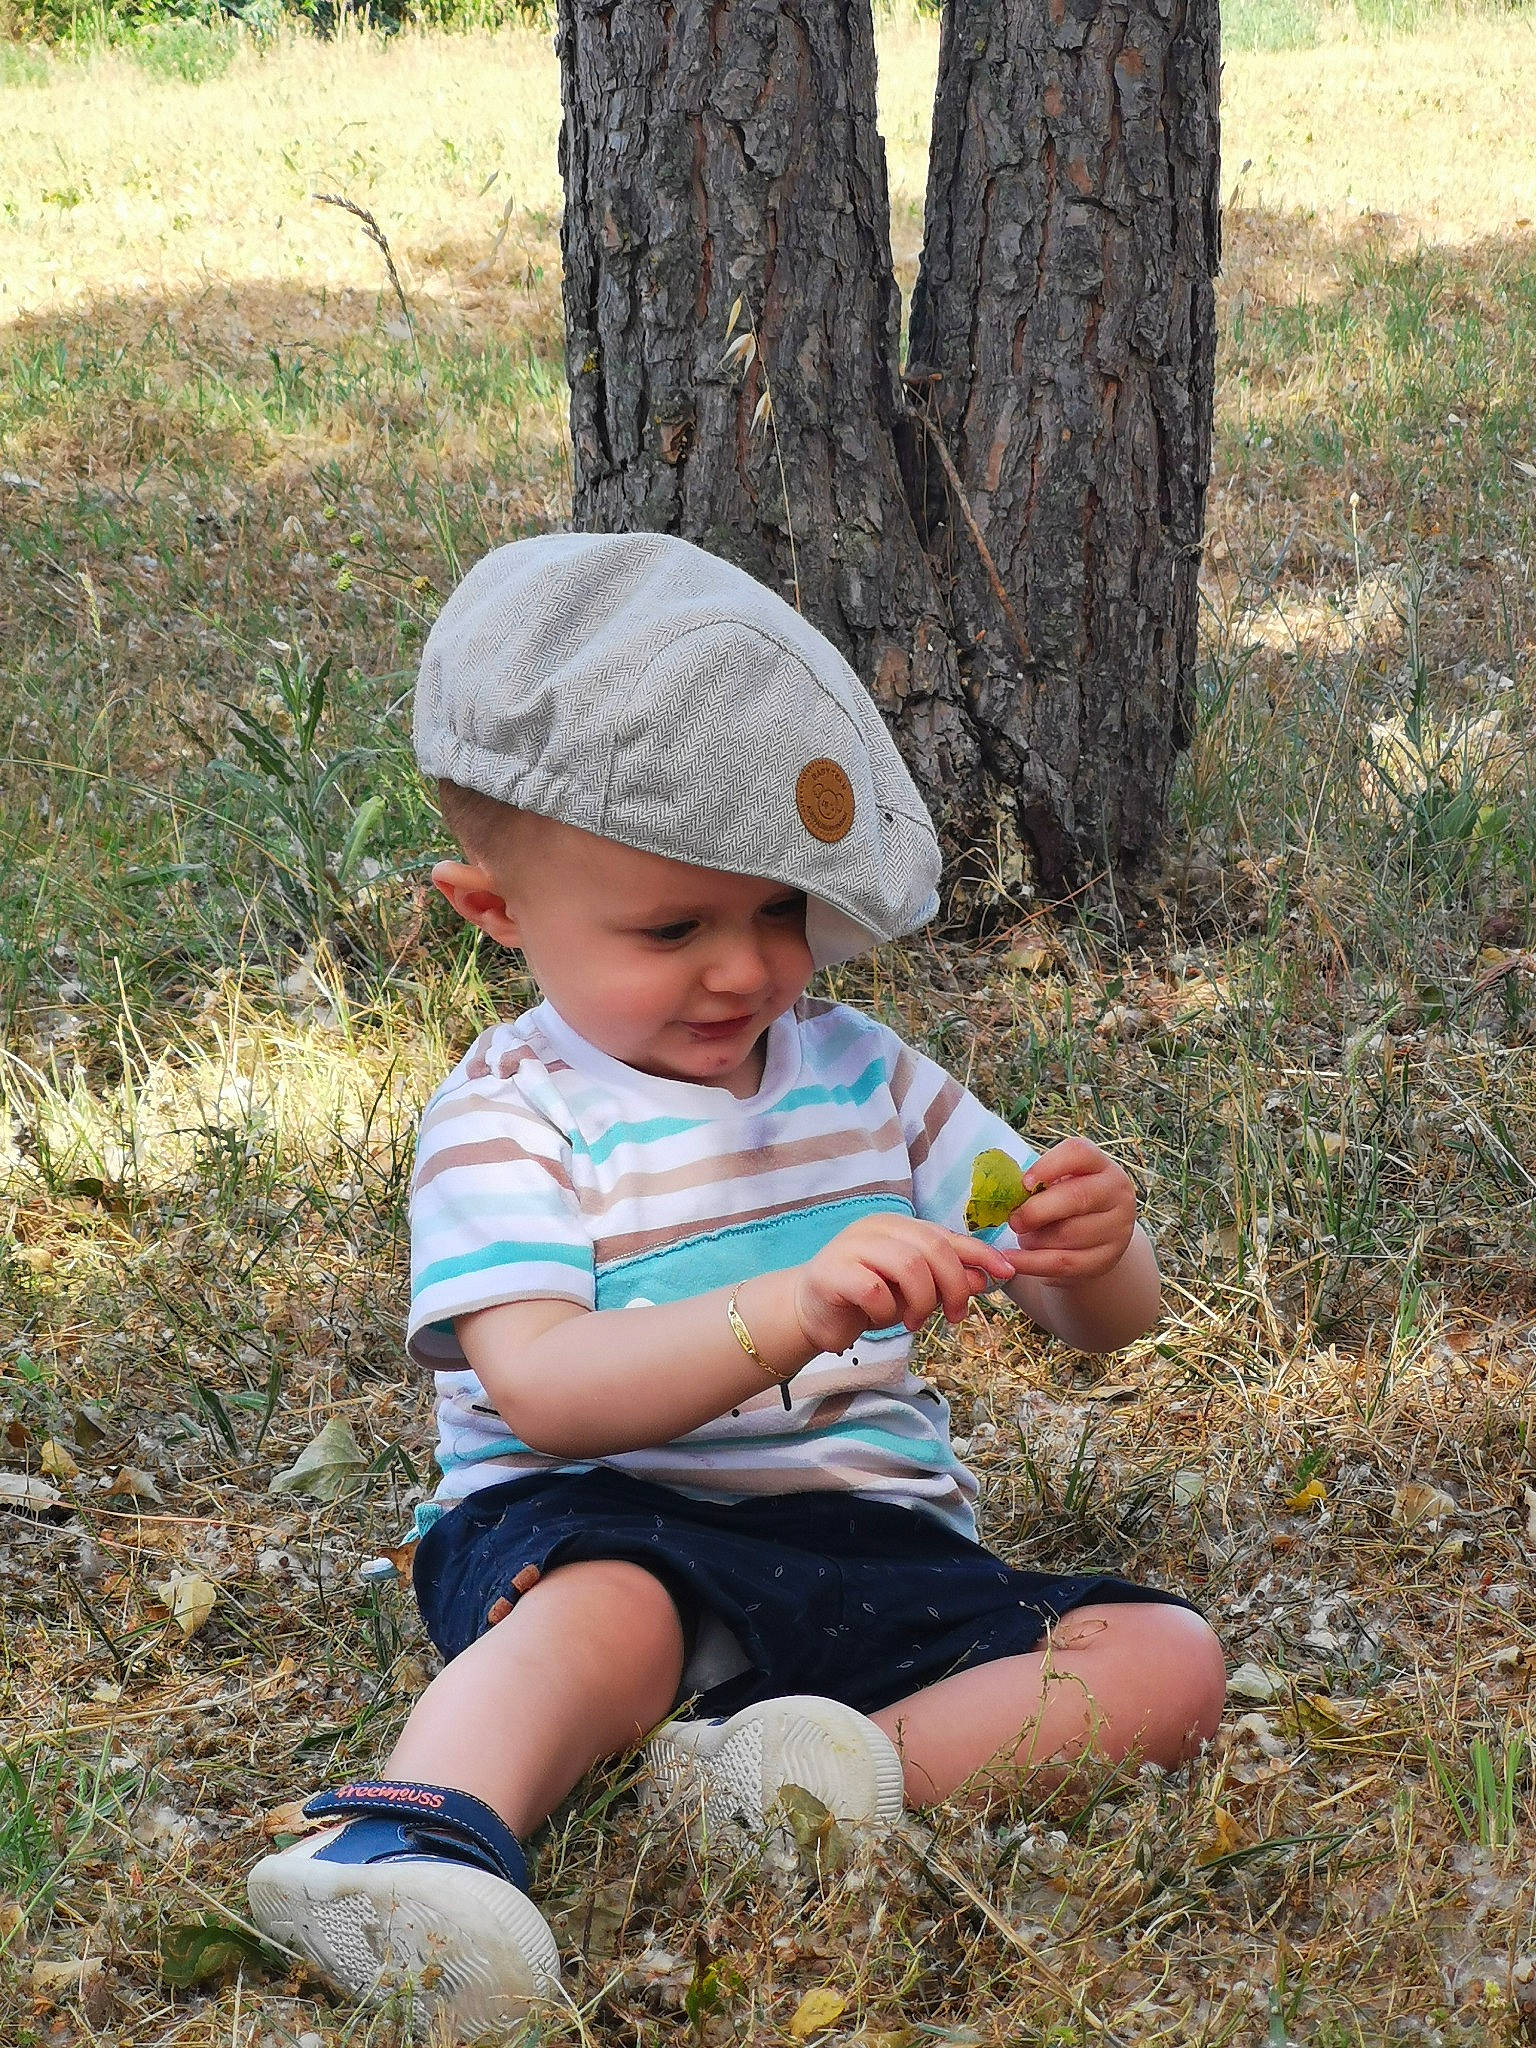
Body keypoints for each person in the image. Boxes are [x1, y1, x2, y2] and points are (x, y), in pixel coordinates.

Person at [249, 533, 1225, 2035]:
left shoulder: (867, 1077)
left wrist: (1098, 1249)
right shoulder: (513, 1110)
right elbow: (546, 1392)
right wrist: (789, 1308)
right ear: (493, 911)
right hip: (592, 1517)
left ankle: (810, 1778)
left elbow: (1097, 1322)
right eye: (672, 929)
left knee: (1162, 1661)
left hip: (865, 1538)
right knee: (619, 1619)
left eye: (780, 911)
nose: (745, 971)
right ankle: (405, 1834)